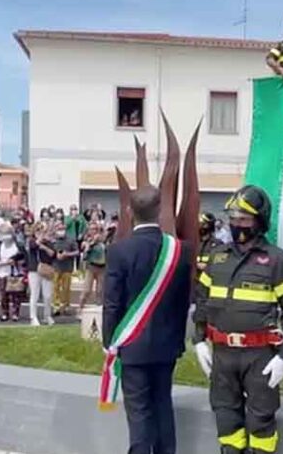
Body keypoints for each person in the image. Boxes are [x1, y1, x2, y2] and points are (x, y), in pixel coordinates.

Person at [192, 185, 283, 454]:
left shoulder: (278, 260)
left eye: (244, 219)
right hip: (223, 354)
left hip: (260, 356)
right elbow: (203, 300)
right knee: (226, 419)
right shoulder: (218, 257)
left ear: (259, 221)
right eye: (233, 218)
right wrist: (198, 340)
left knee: (261, 422)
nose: (236, 225)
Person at [102, 185, 192, 454]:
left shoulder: (119, 251)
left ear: (129, 211)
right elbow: (183, 302)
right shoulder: (180, 250)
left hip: (132, 345)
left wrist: (110, 342)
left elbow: (112, 303)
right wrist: (177, 341)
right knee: (163, 405)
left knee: (139, 413)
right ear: (160, 210)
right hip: (167, 345)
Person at [27, 222, 56, 326]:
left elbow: (53, 254)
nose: (41, 233)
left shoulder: (48, 243)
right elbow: (33, 246)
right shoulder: (31, 241)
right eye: (38, 230)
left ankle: (47, 315)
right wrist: (39, 239)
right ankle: (33, 316)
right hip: (34, 270)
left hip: (46, 270)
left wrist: (44, 247)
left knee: (47, 295)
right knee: (34, 293)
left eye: (43, 230)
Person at [78, 223, 107, 312]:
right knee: (86, 290)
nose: (93, 231)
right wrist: (91, 243)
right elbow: (84, 251)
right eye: (91, 229)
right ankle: (80, 308)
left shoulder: (103, 241)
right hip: (91, 267)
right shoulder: (87, 241)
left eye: (95, 229)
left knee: (100, 291)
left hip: (102, 267)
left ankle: (99, 310)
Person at [51, 222, 78, 316]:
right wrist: (56, 255)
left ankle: (65, 306)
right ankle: (56, 307)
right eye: (59, 229)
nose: (60, 231)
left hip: (67, 267)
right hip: (56, 267)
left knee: (66, 288)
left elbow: (77, 252)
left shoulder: (71, 240)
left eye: (62, 229)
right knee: (55, 288)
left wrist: (67, 254)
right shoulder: (52, 240)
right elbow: (49, 252)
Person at [0, 232, 25, 322]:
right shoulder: (0, 247)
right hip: (2, 273)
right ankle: (4, 313)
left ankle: (15, 313)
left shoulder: (17, 246)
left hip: (14, 273)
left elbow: (23, 258)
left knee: (15, 295)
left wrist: (15, 261)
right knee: (3, 295)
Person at [65, 204, 88, 269]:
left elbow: (85, 227)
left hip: (79, 239)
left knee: (78, 254)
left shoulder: (81, 217)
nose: (74, 211)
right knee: (71, 253)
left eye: (75, 209)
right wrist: (72, 218)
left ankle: (78, 268)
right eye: (72, 209)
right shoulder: (67, 218)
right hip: (70, 239)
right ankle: (70, 268)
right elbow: (66, 225)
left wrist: (82, 234)